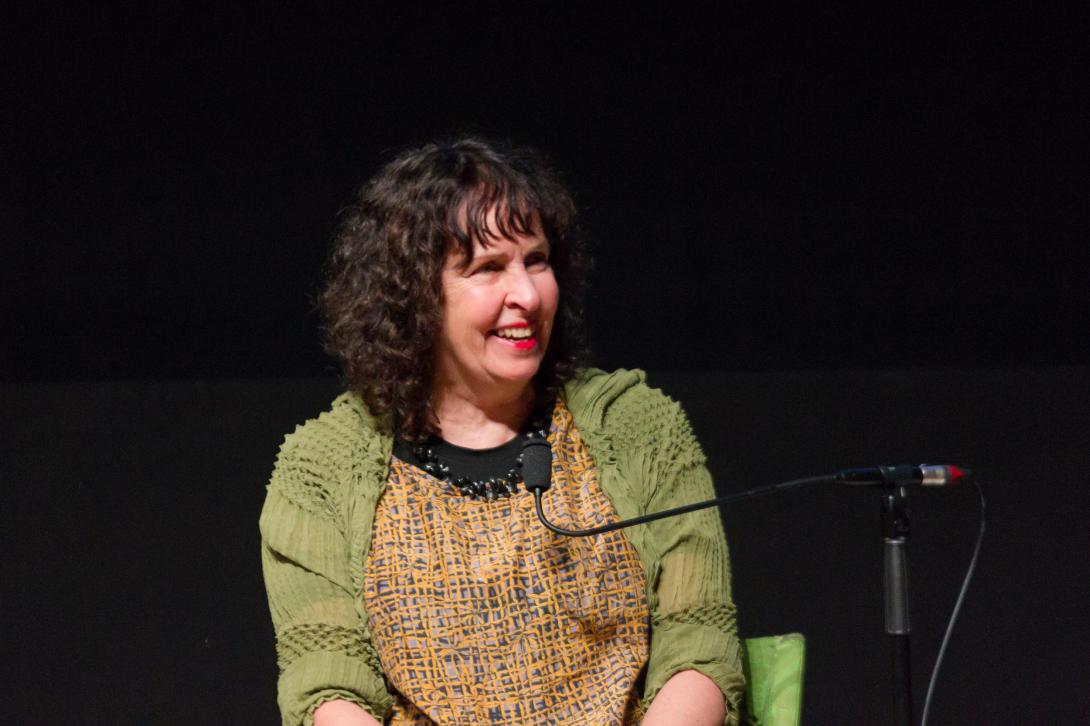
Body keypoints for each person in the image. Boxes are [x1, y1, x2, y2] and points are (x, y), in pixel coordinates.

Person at [260, 138, 745, 725]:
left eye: (535, 260)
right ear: (414, 297)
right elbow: (327, 685)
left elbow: (700, 643)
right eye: (488, 269)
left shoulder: (636, 426)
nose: (528, 294)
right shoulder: (323, 467)